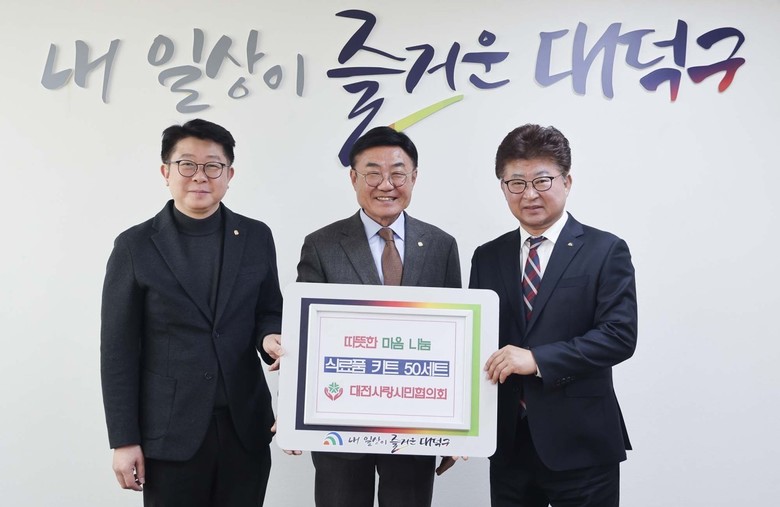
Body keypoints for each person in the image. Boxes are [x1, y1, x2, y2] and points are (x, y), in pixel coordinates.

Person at [100, 119, 283, 506]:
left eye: (213, 166)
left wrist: (270, 338)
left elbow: (269, 311)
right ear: (165, 172)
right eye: (187, 164)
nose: (200, 176)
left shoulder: (256, 236)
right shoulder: (135, 246)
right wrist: (124, 439)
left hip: (245, 427)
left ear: (229, 174)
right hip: (170, 433)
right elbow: (118, 351)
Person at [470, 124, 637, 506]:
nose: (529, 194)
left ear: (567, 181)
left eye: (542, 180)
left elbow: (619, 336)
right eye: (516, 183)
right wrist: (459, 427)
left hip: (582, 446)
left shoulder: (605, 250)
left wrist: (537, 359)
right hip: (509, 445)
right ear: (503, 187)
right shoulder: (487, 256)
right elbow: (476, 341)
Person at [294, 126, 462, 507]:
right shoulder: (321, 245)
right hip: (339, 429)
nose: (386, 184)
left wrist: (457, 429)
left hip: (415, 428)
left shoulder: (441, 246)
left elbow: (454, 344)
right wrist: (293, 413)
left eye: (398, 173)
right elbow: (307, 336)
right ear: (353, 178)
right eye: (373, 173)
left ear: (414, 177)